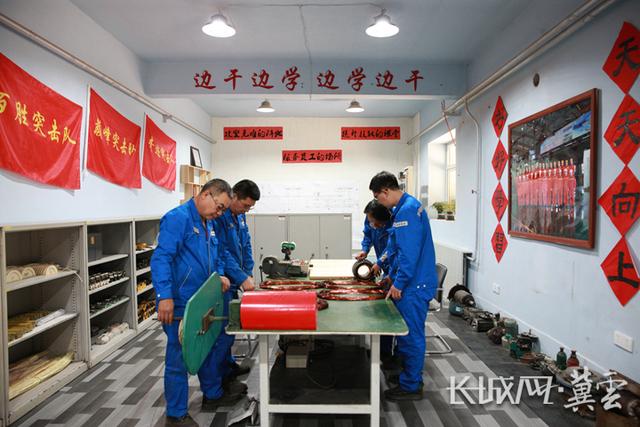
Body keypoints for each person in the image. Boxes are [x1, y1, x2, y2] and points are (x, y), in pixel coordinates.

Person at [151, 179, 239, 427]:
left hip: (203, 300)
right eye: (219, 207)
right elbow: (161, 259)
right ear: (206, 194)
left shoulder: (208, 222)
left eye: (223, 210)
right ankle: (176, 414)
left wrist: (219, 275)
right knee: (178, 359)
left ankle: (212, 394)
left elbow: (216, 256)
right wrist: (164, 296)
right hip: (180, 303)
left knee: (206, 347)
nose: (219, 213)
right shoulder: (178, 219)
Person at [369, 171, 438, 402]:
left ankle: (411, 386)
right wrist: (391, 275)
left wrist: (399, 282)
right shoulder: (406, 207)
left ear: (385, 191)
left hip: (414, 285)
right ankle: (409, 376)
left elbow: (409, 254)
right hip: (413, 281)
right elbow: (398, 250)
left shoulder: (406, 211)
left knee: (410, 335)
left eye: (378, 198)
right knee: (406, 334)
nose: (379, 203)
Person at [213, 179, 260, 383]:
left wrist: (248, 273)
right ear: (234, 197)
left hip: (237, 279)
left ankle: (228, 366)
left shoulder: (240, 216)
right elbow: (222, 253)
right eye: (246, 205)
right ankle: (218, 381)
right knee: (222, 332)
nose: (247, 210)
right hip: (224, 282)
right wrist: (241, 278)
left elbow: (246, 244)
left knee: (230, 329)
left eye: (250, 207)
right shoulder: (219, 217)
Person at [355, 199, 392, 277]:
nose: (372, 225)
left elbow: (392, 247)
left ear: (382, 220)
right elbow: (368, 235)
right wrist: (365, 250)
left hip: (395, 269)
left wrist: (379, 263)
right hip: (385, 269)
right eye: (370, 221)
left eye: (374, 222)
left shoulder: (394, 224)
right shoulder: (370, 218)